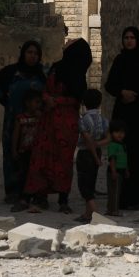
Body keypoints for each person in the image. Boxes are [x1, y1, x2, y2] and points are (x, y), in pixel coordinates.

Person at [24, 38, 92, 214]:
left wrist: (58, 101)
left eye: (71, 42)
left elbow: (77, 98)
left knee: (63, 160)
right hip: (48, 120)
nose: (66, 42)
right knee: (43, 157)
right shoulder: (56, 67)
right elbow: (46, 87)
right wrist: (46, 97)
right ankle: (40, 196)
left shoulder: (77, 76)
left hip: (65, 124)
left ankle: (63, 198)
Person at [105, 26, 139, 210]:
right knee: (123, 152)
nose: (129, 41)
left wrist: (137, 95)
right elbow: (110, 84)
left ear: (138, 40)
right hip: (123, 114)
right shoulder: (120, 60)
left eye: (132, 38)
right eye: (126, 37)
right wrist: (122, 92)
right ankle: (124, 196)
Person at [0, 41, 46, 203]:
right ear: (23, 53)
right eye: (29, 52)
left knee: (34, 156)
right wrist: (5, 101)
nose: (32, 56)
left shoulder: (41, 74)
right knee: (12, 154)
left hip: (35, 124)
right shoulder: (11, 72)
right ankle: (13, 191)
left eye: (36, 53)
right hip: (13, 121)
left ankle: (34, 191)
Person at [74, 89, 110, 223]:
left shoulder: (83, 120)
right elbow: (108, 138)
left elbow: (88, 141)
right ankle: (87, 214)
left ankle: (95, 214)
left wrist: (94, 154)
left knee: (84, 186)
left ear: (83, 103)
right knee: (91, 182)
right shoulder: (103, 120)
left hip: (85, 154)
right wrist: (98, 145)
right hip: (97, 152)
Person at [10, 89, 43, 212]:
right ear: (27, 103)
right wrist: (14, 150)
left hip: (37, 152)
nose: (38, 105)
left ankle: (37, 197)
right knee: (23, 174)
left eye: (39, 103)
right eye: (36, 102)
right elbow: (15, 135)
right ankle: (23, 197)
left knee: (36, 175)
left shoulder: (40, 117)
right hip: (24, 151)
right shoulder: (21, 118)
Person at [106, 120, 129, 217]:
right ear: (111, 133)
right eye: (117, 132)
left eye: (122, 132)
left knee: (116, 191)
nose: (120, 134)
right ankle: (114, 210)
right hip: (115, 172)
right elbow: (112, 159)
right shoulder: (113, 145)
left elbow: (124, 158)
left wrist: (127, 170)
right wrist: (114, 171)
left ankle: (111, 209)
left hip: (121, 171)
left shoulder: (122, 145)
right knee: (114, 192)